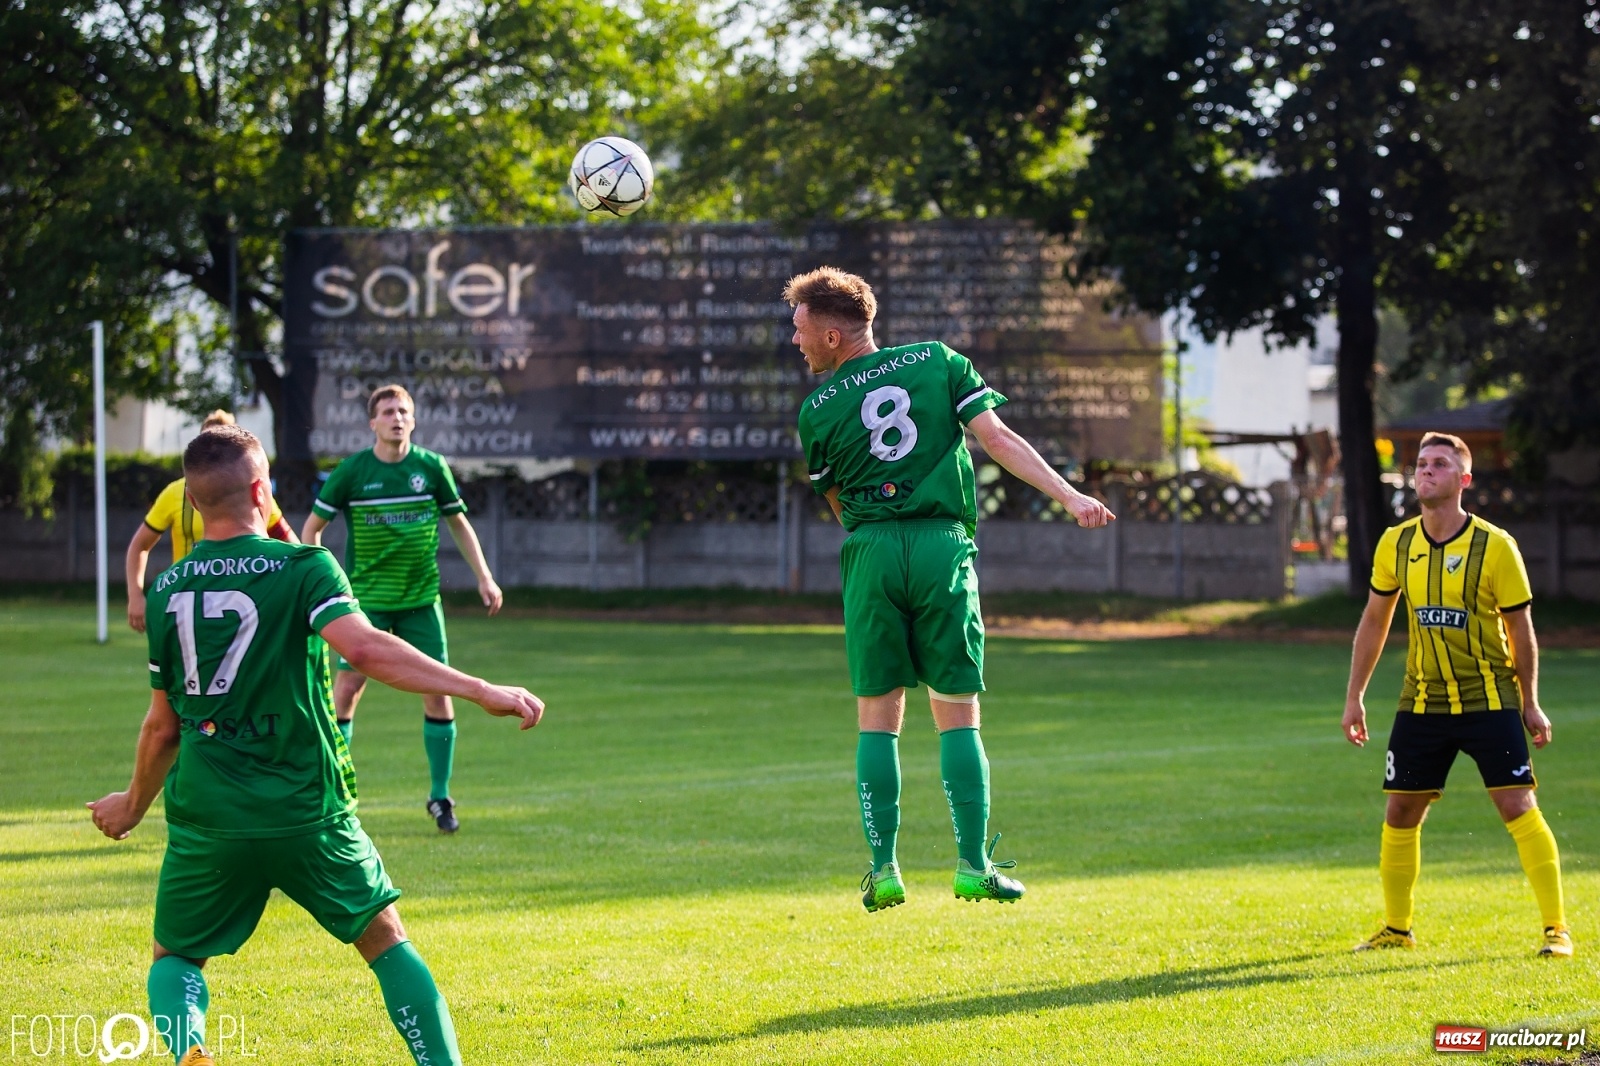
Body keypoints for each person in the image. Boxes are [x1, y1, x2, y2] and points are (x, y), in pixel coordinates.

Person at [87, 425, 544, 1066]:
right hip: (306, 806)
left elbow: (161, 727)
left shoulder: (166, 589)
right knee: (386, 941)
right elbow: (364, 648)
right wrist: (478, 688)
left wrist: (132, 806)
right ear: (262, 491)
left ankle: (190, 1049)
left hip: (209, 813)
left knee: (176, 958)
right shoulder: (304, 566)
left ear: (190, 501)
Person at [786, 267, 1115, 913]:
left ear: (832, 335)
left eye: (800, 330)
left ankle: (884, 869)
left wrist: (878, 537)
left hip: (871, 551)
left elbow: (837, 500)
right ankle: (973, 866)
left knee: (877, 715)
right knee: (957, 710)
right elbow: (997, 438)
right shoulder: (938, 361)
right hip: (942, 546)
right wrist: (1072, 497)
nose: (795, 340)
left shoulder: (817, 410)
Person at [1342, 432, 1570, 957]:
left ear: (1464, 479)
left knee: (1516, 803)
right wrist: (1355, 696)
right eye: (1421, 463)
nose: (1426, 470)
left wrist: (1530, 701)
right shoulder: (1396, 543)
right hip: (1422, 700)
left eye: (1440, 464)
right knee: (1401, 811)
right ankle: (1397, 929)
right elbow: (1375, 619)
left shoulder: (1496, 546)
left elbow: (1521, 630)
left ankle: (1556, 929)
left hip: (1489, 698)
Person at [301, 385, 504, 833]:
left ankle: (440, 797)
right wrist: (320, 586)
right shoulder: (352, 472)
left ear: (413, 420)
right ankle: (332, 790)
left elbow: (458, 522)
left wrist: (484, 576)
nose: (397, 417)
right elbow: (311, 530)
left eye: (404, 411)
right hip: (366, 603)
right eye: (388, 411)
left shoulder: (430, 467)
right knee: (347, 690)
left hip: (420, 601)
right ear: (372, 422)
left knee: (438, 690)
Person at [125, 411, 298, 632]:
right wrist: (135, 595)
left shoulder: (256, 493)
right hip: (189, 602)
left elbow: (292, 545)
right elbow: (140, 544)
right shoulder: (174, 493)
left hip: (244, 602)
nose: (215, 456)